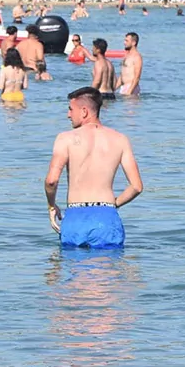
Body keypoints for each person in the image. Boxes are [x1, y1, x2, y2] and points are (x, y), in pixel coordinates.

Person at [44, 87, 144, 249]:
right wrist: (113, 205)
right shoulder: (120, 139)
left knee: (75, 270)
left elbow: (51, 181)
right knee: (108, 270)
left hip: (76, 218)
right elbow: (136, 186)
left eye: (71, 109)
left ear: (84, 111)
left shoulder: (65, 138)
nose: (68, 115)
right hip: (106, 218)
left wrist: (51, 206)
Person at [116, 32, 142, 96]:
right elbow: (122, 75)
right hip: (123, 87)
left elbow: (137, 77)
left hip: (131, 88)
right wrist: (114, 88)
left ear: (133, 43)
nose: (124, 43)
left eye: (127, 41)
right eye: (124, 40)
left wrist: (129, 91)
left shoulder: (137, 57)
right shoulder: (126, 56)